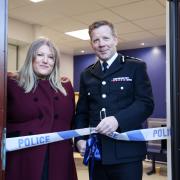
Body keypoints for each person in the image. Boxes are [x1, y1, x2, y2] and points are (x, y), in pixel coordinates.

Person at [75, 20, 154, 180]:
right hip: (97, 155)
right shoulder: (87, 74)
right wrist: (80, 139)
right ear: (92, 44)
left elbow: (145, 104)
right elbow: (82, 112)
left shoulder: (135, 67)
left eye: (106, 38)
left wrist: (118, 120)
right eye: (96, 40)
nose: (101, 44)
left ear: (115, 39)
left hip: (127, 154)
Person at [6, 38, 78, 180]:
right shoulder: (12, 83)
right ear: (31, 57)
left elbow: (73, 121)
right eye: (40, 55)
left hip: (59, 157)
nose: (45, 60)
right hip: (24, 158)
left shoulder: (66, 86)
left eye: (51, 57)